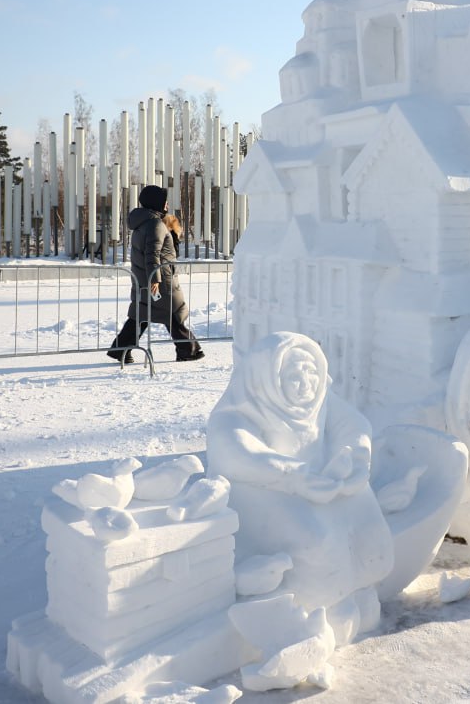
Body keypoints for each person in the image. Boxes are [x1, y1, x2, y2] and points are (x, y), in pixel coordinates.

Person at [206, 332, 393, 639]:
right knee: (315, 539)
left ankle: (361, 587)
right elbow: (236, 451)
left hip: (322, 481)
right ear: (267, 379)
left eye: (312, 372)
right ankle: (316, 610)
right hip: (262, 492)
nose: (307, 383)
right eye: (294, 376)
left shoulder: (321, 401)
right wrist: (294, 476)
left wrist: (355, 459)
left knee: (367, 526)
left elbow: (354, 425)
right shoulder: (241, 410)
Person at [107, 185, 204, 363]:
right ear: (156, 202)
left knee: (142, 314)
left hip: (148, 277)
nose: (167, 204)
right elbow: (152, 254)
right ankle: (188, 350)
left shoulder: (145, 223)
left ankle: (120, 349)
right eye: (164, 201)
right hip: (160, 279)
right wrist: (156, 279)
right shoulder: (155, 224)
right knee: (173, 313)